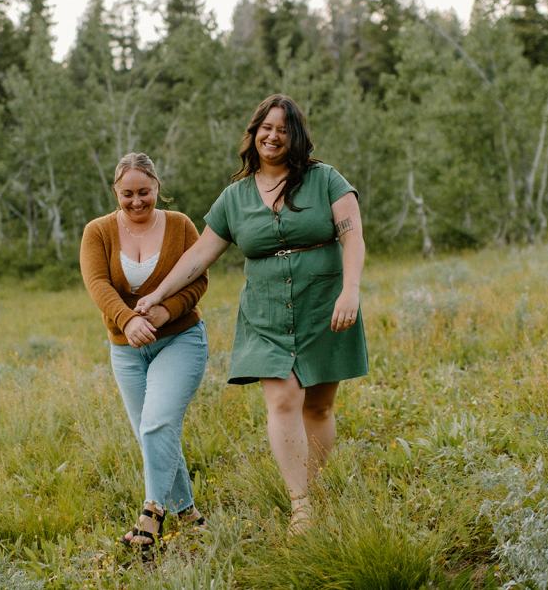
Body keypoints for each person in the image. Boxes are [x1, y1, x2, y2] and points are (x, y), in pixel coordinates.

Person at [136, 94, 368, 534]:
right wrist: (157, 293)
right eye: (265, 126)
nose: (272, 135)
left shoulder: (326, 180)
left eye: (282, 128)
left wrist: (350, 291)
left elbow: (352, 237)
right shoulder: (235, 196)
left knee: (319, 407)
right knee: (283, 399)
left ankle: (312, 488)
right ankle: (301, 506)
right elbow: (198, 256)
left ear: (294, 136)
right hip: (266, 312)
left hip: (325, 302)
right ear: (254, 133)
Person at [79, 152, 209, 550]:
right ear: (115, 192)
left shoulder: (181, 226)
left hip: (180, 339)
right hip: (126, 350)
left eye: (145, 193)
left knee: (156, 424)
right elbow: (98, 285)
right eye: (127, 194)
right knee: (153, 433)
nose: (137, 202)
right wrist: (128, 320)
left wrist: (164, 311)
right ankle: (189, 516)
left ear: (157, 188)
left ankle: (150, 516)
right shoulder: (98, 232)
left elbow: (198, 279)